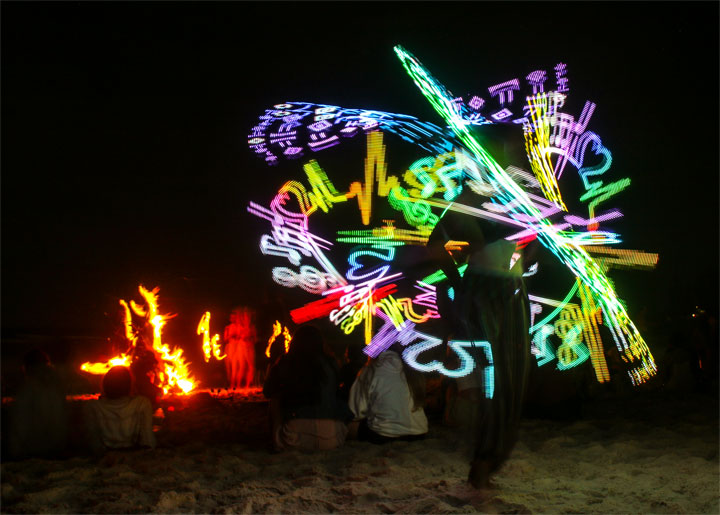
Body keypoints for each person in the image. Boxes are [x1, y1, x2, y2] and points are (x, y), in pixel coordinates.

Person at [263, 325, 351, 451]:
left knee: (275, 399)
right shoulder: (331, 363)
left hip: (293, 437)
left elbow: (268, 391)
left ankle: (277, 440)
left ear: (294, 342)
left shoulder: (286, 362)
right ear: (320, 343)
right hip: (332, 437)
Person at [348, 343, 428, 444]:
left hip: (383, 435)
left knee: (349, 426)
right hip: (419, 434)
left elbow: (356, 412)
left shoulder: (371, 369)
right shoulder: (414, 369)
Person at [5, 349, 69, 460]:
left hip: (32, 451)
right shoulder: (59, 387)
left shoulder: (26, 390)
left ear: (26, 367)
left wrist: (14, 453)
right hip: (58, 448)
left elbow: (20, 424)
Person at [85, 366, 156, 453]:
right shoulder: (141, 403)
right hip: (133, 454)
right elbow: (147, 439)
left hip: (105, 455)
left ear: (105, 383)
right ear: (129, 384)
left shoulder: (93, 406)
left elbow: (93, 440)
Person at [224, 307, 257, 390]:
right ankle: (235, 385)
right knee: (239, 367)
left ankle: (245, 385)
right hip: (237, 347)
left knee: (246, 366)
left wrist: (249, 338)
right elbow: (227, 339)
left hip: (244, 345)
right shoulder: (231, 327)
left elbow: (254, 338)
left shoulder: (249, 327)